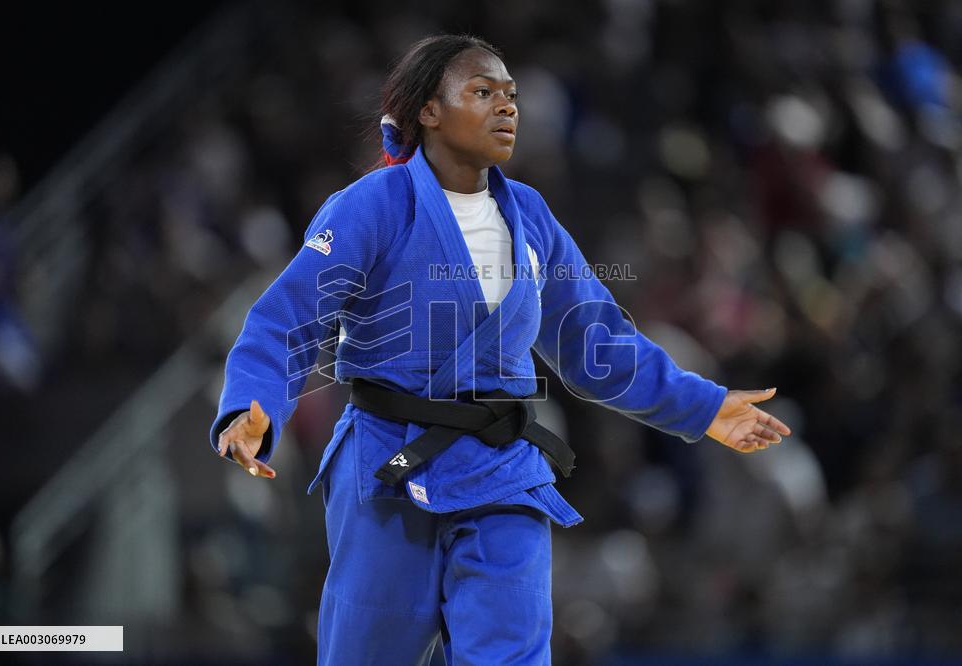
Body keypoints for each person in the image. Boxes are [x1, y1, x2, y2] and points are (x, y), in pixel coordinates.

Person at [210, 35, 791, 665]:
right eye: (483, 93)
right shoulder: (372, 206)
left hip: (503, 467)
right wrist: (252, 401)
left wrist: (703, 407)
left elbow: (596, 342)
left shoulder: (531, 217)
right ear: (429, 111)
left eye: (511, 96)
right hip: (388, 463)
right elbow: (287, 320)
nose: (508, 108)